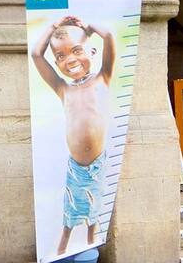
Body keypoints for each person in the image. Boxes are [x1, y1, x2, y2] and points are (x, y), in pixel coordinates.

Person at [29, 15, 117, 255]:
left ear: (93, 53)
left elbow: (108, 34)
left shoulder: (102, 78)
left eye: (77, 51)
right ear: (56, 63)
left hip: (97, 165)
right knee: (69, 216)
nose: (70, 59)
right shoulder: (63, 89)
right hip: (75, 167)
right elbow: (36, 54)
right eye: (61, 56)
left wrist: (88, 27)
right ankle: (61, 252)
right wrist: (54, 27)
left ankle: (90, 249)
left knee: (92, 213)